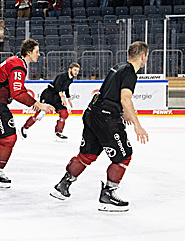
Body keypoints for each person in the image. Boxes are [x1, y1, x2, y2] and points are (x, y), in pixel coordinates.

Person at [51, 42, 150, 211]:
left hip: (92, 112)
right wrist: (137, 125)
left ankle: (63, 184)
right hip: (106, 118)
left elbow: (110, 92)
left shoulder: (118, 67)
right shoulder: (130, 73)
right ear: (142, 56)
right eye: (147, 56)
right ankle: (108, 194)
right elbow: (125, 98)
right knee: (124, 156)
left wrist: (123, 112)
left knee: (86, 155)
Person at [0, 39, 55, 187]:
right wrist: (38, 105)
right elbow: (17, 92)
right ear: (28, 53)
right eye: (37, 52)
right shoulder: (18, 66)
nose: (39, 55)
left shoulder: (16, 62)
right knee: (9, 137)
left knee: (3, 135)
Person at [22, 62, 80, 139]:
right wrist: (62, 96)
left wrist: (69, 98)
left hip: (56, 98)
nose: (76, 72)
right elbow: (57, 86)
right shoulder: (62, 76)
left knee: (64, 113)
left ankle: (58, 133)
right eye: (75, 70)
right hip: (48, 95)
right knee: (40, 114)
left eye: (77, 71)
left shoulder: (70, 80)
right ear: (70, 69)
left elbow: (66, 88)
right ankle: (25, 127)